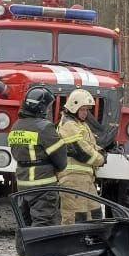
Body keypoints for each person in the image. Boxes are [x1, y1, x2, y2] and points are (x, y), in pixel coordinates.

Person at [8, 86, 68, 227]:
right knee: (43, 223)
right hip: (43, 185)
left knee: (23, 223)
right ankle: (41, 249)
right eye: (47, 107)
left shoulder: (16, 126)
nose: (48, 110)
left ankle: (23, 249)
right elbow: (61, 160)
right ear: (40, 108)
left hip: (23, 184)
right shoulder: (45, 127)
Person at [55, 89, 105, 224]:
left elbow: (90, 146)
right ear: (73, 107)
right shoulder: (69, 125)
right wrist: (101, 159)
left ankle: (92, 243)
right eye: (83, 109)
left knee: (94, 215)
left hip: (85, 178)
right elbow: (82, 150)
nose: (85, 113)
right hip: (73, 178)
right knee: (75, 219)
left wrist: (102, 150)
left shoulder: (80, 125)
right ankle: (70, 245)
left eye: (87, 110)